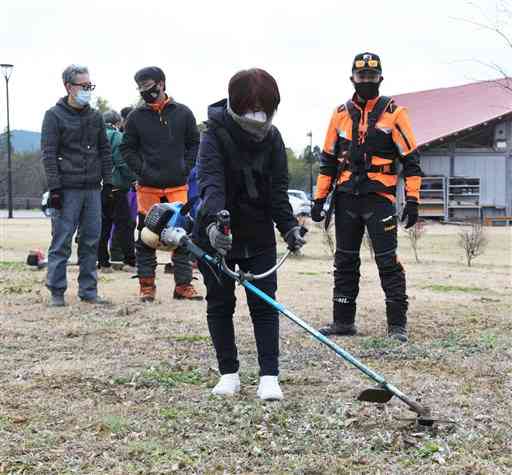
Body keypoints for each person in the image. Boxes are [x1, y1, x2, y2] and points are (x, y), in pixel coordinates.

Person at [194, 68, 306, 400]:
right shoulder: (212, 134)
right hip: (217, 230)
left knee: (264, 303)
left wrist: (288, 228)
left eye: (265, 109)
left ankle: (269, 377)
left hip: (258, 232)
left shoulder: (272, 138)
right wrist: (216, 226)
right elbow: (210, 184)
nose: (259, 117)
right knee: (220, 302)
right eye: (252, 109)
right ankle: (228, 374)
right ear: (235, 105)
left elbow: (277, 191)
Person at [311, 53, 423, 343]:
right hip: (347, 196)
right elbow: (327, 161)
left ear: (380, 79)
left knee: (388, 261)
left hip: (379, 197)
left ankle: (397, 325)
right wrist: (318, 199)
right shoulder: (339, 114)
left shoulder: (395, 113)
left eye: (372, 78)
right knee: (345, 261)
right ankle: (343, 321)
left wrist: (413, 200)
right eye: (362, 78)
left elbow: (411, 160)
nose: (367, 82)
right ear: (353, 79)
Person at [120, 67, 202, 302]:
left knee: (182, 237)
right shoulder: (135, 117)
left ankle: (183, 286)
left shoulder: (184, 113)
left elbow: (194, 143)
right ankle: (147, 287)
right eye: (141, 88)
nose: (146, 92)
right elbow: (127, 148)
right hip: (148, 189)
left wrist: (185, 167)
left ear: (162, 84)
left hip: (178, 187)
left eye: (149, 86)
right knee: (146, 238)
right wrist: (142, 169)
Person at [41, 64, 113, 306]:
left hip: (93, 188)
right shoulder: (54, 115)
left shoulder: (95, 117)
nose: (87, 90)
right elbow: (48, 154)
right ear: (68, 87)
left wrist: (109, 180)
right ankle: (57, 291)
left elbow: (105, 149)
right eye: (83, 86)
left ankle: (89, 291)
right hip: (67, 188)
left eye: (89, 85)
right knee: (61, 241)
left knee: (91, 240)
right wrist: (55, 189)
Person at [97, 110, 137, 273]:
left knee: (102, 226)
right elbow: (122, 163)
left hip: (97, 188)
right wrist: (132, 179)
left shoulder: (95, 136)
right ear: (118, 122)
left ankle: (103, 262)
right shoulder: (117, 137)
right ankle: (129, 260)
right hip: (116, 186)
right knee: (125, 225)